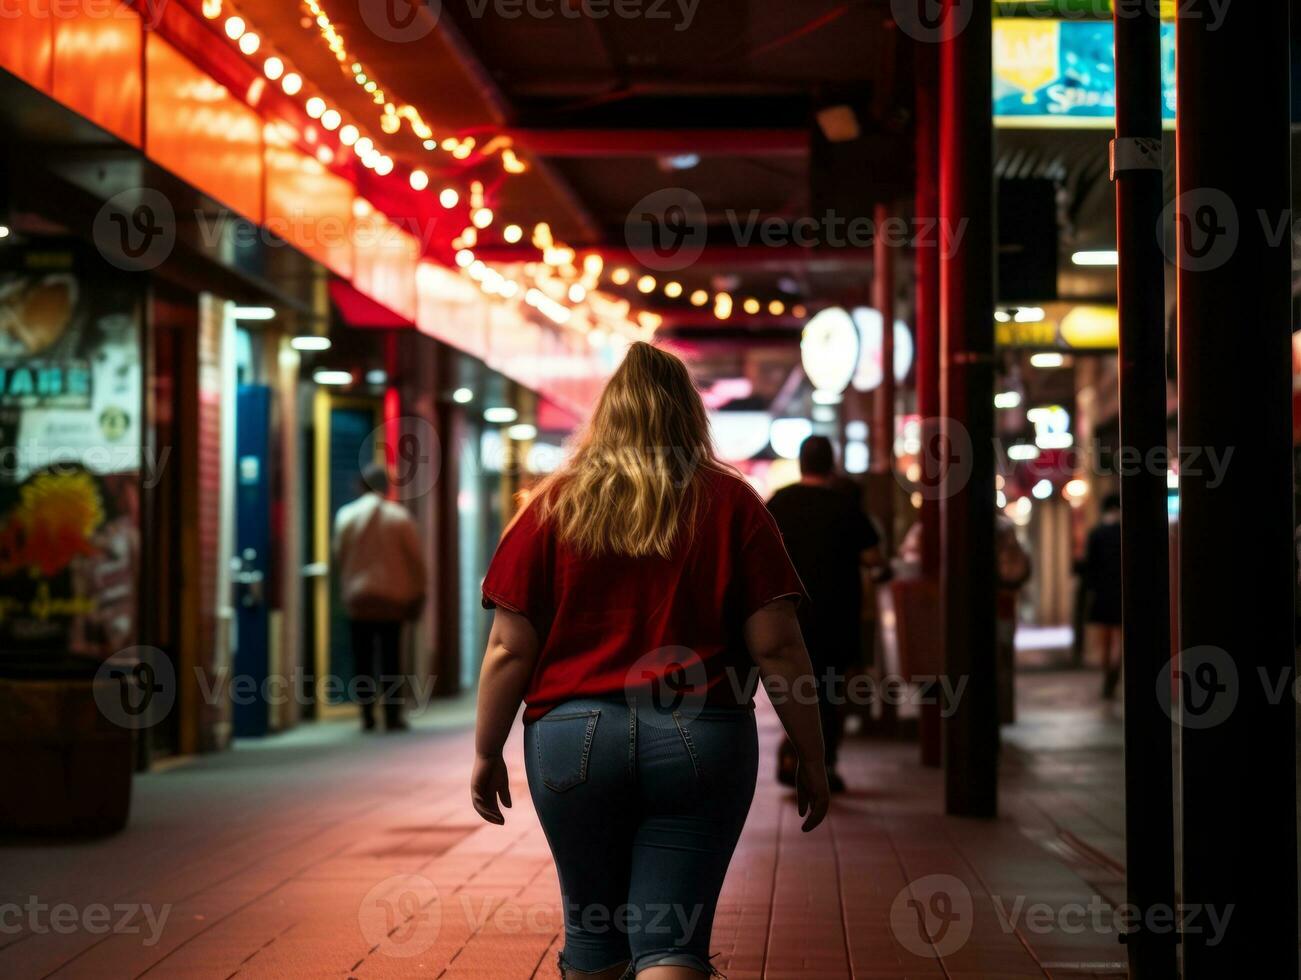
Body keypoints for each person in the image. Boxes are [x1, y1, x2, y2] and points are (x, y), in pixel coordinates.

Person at [472, 342, 830, 980]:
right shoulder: (733, 504)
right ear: (691, 416)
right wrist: (812, 751)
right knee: (672, 943)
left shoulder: (553, 506)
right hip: (700, 734)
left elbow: (508, 647)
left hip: (570, 739)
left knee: (593, 937)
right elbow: (777, 644)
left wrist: (485, 749)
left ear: (606, 416)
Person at [765, 435, 884, 793]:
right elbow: (873, 557)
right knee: (829, 695)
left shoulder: (779, 503)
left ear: (801, 464)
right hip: (836, 617)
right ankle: (825, 763)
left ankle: (795, 756)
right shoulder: (844, 505)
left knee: (795, 689)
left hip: (790, 617)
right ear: (831, 463)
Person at [331, 462, 426, 731]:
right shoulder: (399, 518)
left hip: (358, 597)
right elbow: (416, 562)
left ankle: (366, 715)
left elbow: (339, 554)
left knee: (362, 658)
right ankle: (393, 715)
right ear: (386, 486)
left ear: (360, 485)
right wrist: (418, 593)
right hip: (392, 599)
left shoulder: (346, 516)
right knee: (391, 659)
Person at [1082, 492, 1123, 698]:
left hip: (1102, 592)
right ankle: (1116, 672)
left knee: (1105, 638)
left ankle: (1108, 675)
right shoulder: (1124, 532)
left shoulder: (1096, 534)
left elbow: (1090, 567)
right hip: (1122, 592)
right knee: (1121, 637)